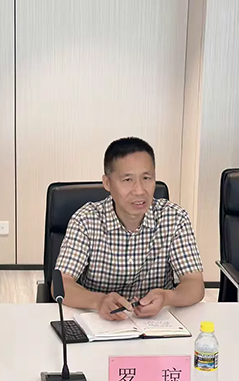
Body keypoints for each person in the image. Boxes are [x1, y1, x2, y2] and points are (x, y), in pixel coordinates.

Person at [55, 137, 204, 321]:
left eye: (146, 178)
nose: (139, 190)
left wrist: (167, 297)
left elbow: (194, 283)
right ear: (107, 183)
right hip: (99, 322)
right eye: (127, 180)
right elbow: (62, 282)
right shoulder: (86, 220)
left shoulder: (174, 218)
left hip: (156, 324)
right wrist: (98, 301)